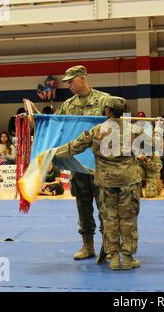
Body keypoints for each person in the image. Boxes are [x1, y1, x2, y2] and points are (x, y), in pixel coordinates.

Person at [55, 96, 143, 270]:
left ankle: (114, 258)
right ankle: (127, 258)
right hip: (128, 182)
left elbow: (74, 147)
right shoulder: (135, 130)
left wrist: (51, 153)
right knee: (128, 219)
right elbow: (152, 146)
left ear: (107, 110)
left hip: (106, 183)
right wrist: (159, 127)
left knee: (109, 219)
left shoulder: (96, 131)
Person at [54, 65, 110, 261]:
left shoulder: (104, 100)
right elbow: (56, 126)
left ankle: (109, 246)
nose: (68, 85)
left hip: (100, 165)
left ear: (82, 78)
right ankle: (88, 245)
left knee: (105, 206)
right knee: (82, 205)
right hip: (77, 164)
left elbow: (117, 127)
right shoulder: (68, 105)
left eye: (71, 81)